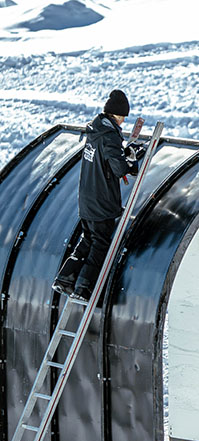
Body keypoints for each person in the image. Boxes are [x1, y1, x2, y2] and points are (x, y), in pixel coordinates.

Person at [52, 89, 142, 301]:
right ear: (115, 115)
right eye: (122, 117)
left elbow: (104, 161)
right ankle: (84, 286)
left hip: (87, 200)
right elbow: (119, 169)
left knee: (87, 240)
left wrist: (122, 154)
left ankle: (64, 278)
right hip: (102, 202)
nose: (123, 122)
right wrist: (132, 159)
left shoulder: (94, 133)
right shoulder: (109, 136)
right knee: (100, 244)